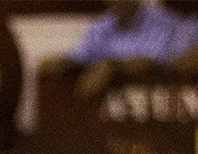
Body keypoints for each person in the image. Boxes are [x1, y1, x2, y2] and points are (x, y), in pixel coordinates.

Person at [42, 0, 186, 97]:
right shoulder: (100, 26)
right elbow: (80, 58)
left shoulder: (164, 23)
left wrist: (111, 66)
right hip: (107, 119)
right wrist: (61, 63)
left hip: (154, 111)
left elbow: (150, 63)